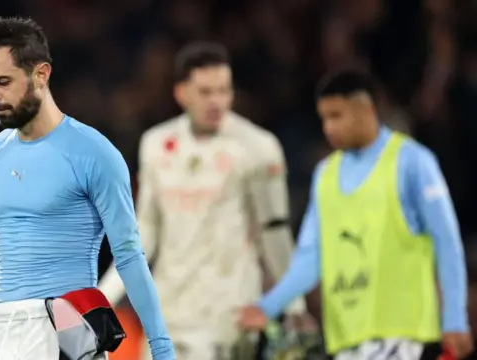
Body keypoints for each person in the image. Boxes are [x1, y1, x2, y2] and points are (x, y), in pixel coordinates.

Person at [0, 17, 175, 360]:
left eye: (2, 82)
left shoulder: (94, 153)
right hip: (4, 333)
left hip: (68, 328)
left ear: (40, 74)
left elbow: (128, 255)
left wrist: (162, 349)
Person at [237, 70, 474, 360]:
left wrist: (454, 319)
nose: (328, 128)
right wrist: (267, 307)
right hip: (346, 336)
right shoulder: (325, 175)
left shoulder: (411, 162)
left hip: (399, 332)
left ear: (367, 111)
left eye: (337, 116)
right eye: (324, 118)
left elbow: (446, 242)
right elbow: (310, 258)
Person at [98, 41, 312, 360]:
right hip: (170, 316)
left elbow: (274, 234)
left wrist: (295, 305)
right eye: (205, 91)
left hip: (228, 319)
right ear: (181, 93)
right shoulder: (156, 146)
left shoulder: (259, 148)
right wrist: (103, 296)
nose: (217, 101)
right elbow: (144, 234)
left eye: (223, 90)